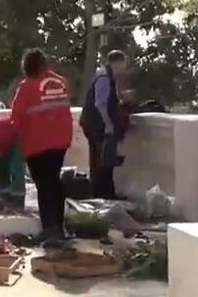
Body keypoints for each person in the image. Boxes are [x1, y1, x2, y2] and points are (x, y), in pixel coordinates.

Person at [11, 48, 73, 246]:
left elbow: (16, 118)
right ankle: (59, 227)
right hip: (61, 140)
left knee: (44, 185)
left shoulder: (27, 87)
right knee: (54, 182)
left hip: (38, 143)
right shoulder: (60, 82)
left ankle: (50, 230)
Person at [81, 50, 128, 199]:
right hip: (97, 126)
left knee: (102, 162)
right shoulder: (104, 77)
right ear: (117, 63)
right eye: (123, 65)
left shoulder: (104, 75)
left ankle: (103, 194)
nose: (124, 69)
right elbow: (100, 103)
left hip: (94, 124)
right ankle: (101, 195)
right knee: (101, 163)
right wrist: (109, 124)